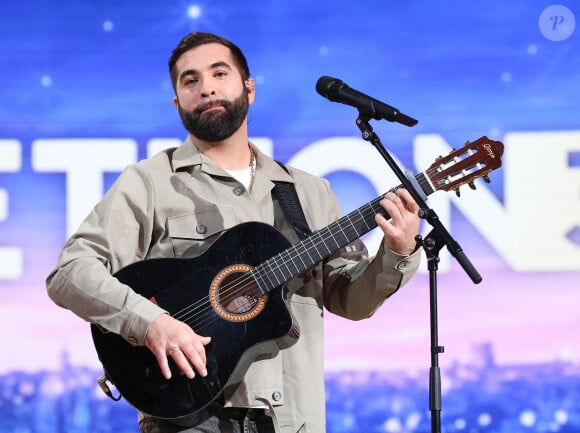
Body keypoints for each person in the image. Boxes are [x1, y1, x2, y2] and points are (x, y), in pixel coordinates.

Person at [46, 32, 422, 433]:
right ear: (178, 103)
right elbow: (70, 272)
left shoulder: (310, 192)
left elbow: (350, 301)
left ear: (249, 88)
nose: (206, 87)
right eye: (190, 81)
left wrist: (397, 252)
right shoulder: (150, 182)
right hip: (192, 423)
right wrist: (150, 321)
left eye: (219, 73)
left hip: (295, 421)